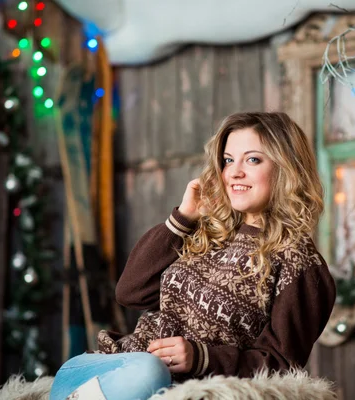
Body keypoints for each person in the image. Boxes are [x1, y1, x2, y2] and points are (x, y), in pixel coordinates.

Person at [50, 112, 336, 400]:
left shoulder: (298, 262)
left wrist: (202, 357)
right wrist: (183, 217)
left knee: (148, 371)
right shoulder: (207, 231)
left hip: (163, 384)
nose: (234, 172)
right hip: (112, 367)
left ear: (286, 168)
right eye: (228, 160)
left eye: (252, 159)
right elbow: (130, 293)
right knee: (130, 369)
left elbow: (280, 366)